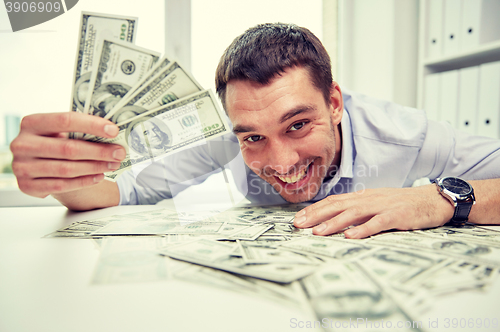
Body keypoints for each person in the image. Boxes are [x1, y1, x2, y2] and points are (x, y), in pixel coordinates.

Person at [10, 23, 500, 239]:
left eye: (299, 124)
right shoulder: (228, 133)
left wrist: (435, 200)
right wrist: (67, 175)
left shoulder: (406, 136)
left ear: (334, 103)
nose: (282, 163)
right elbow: (126, 192)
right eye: (253, 138)